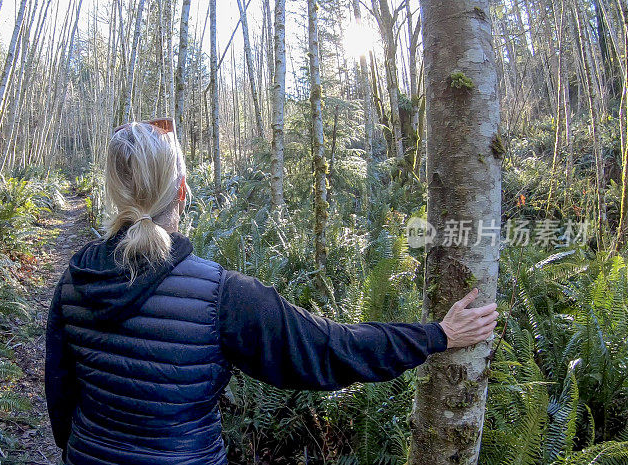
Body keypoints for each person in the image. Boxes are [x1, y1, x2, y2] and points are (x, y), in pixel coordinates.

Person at [44, 118, 498, 465]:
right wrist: (437, 336)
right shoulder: (221, 295)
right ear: (182, 191)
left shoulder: (75, 280)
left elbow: (60, 395)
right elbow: (330, 348)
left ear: (112, 194)